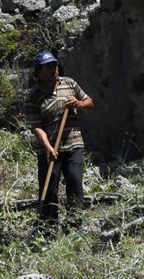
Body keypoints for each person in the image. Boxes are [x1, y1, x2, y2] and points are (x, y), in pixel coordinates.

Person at [22, 51, 94, 224]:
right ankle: (49, 226)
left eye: (54, 65)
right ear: (39, 72)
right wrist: (48, 148)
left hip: (73, 142)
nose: (54, 69)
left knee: (74, 180)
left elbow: (89, 102)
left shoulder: (69, 84)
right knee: (50, 187)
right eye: (49, 67)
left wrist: (78, 104)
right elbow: (37, 128)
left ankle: (75, 223)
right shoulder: (33, 97)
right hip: (49, 147)